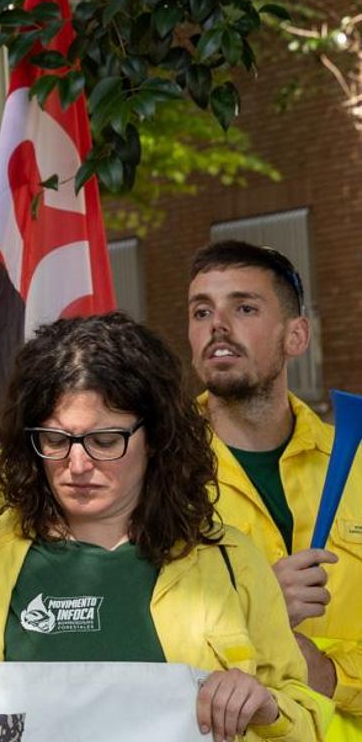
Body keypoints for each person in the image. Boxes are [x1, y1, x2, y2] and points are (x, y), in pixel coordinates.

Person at [0, 313, 325, 742]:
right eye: (55, 440)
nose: (77, 464)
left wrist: (266, 706)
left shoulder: (231, 561)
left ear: (157, 438)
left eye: (105, 441)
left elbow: (306, 718)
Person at [189, 241, 360, 735]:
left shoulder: (358, 467)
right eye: (202, 311)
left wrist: (332, 674)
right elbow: (129, 647)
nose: (218, 325)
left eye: (244, 308)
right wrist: (256, 610)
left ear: (296, 335)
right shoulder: (154, 473)